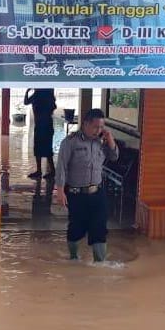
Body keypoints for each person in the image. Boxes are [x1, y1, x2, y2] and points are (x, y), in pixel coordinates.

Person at [55, 108, 119, 262]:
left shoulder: (102, 141)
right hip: (76, 194)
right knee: (76, 228)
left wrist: (110, 139)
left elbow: (115, 157)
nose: (98, 130)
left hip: (97, 193)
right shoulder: (70, 142)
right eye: (95, 127)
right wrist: (60, 191)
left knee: (99, 228)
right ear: (85, 124)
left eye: (101, 127)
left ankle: (99, 264)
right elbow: (61, 166)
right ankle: (73, 258)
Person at [24, 88, 57, 179]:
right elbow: (26, 102)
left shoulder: (40, 94)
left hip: (45, 126)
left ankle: (51, 171)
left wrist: (27, 91)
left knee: (46, 149)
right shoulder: (40, 94)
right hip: (42, 125)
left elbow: (26, 102)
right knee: (39, 148)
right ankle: (41, 171)